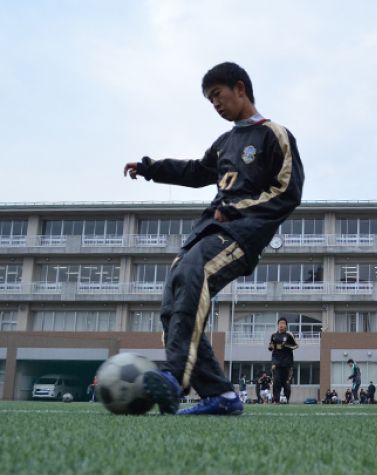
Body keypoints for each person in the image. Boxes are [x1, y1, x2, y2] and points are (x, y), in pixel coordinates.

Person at [125, 62, 305, 416]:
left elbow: (288, 191)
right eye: (209, 101)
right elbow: (196, 171)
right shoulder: (224, 143)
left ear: (240, 88)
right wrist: (150, 168)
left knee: (194, 273)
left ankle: (174, 377)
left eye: (217, 95)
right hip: (208, 229)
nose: (215, 105)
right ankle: (220, 394)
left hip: (242, 232)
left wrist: (238, 209)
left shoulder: (274, 134)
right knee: (174, 295)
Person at [269, 317, 298, 403]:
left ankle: (286, 400)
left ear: (286, 326)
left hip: (287, 363)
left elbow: (296, 346)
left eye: (283, 324)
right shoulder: (273, 336)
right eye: (280, 323)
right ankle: (276, 400)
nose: (281, 325)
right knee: (276, 381)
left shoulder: (289, 336)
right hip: (276, 362)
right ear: (278, 325)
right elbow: (271, 347)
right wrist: (271, 347)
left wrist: (286, 346)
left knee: (286, 384)